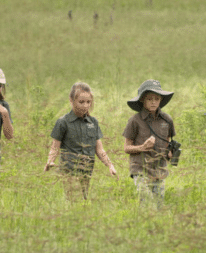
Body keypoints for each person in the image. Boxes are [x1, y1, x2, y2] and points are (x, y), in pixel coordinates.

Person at [44, 82, 117, 201]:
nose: (85, 106)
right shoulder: (63, 122)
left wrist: (109, 165)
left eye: (88, 102)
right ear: (71, 101)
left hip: (87, 170)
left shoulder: (93, 122)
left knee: (83, 200)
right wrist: (50, 160)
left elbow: (99, 149)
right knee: (75, 199)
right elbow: (55, 146)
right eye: (81, 102)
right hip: (70, 169)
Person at [122, 79, 176, 208]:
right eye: (150, 99)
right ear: (142, 100)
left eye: (156, 98)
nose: (153, 102)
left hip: (159, 169)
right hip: (141, 169)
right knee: (146, 203)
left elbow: (168, 141)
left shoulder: (167, 119)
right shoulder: (135, 120)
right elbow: (126, 148)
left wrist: (170, 153)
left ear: (161, 100)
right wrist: (142, 147)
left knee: (158, 205)